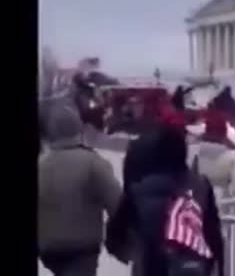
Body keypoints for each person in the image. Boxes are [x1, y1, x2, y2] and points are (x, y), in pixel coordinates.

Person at [105, 125, 225, 276]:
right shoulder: (201, 186)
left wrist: (132, 252)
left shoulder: (138, 190)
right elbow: (213, 236)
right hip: (194, 268)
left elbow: (115, 238)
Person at [39, 105, 122, 276]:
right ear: (79, 128)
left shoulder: (41, 165)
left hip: (48, 248)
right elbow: (117, 203)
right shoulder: (92, 163)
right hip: (82, 247)